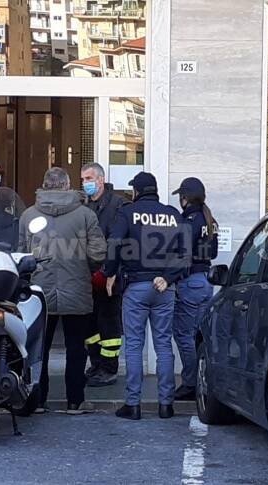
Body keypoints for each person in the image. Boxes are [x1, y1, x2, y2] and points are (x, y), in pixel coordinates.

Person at [19, 167, 107, 414]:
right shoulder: (85, 215)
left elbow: (21, 253)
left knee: (38, 348)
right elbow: (98, 252)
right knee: (76, 347)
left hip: (40, 291)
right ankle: (75, 401)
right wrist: (84, 269)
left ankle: (38, 399)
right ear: (68, 186)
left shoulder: (28, 215)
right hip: (76, 287)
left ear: (44, 185)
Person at [105, 172, 188, 420]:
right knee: (163, 345)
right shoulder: (173, 215)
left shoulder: (128, 212)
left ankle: (133, 404)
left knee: (133, 345)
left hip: (137, 286)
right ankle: (166, 404)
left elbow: (114, 243)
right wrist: (169, 277)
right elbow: (185, 254)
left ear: (137, 191)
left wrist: (109, 273)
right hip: (164, 288)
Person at [80, 162, 130, 387]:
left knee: (108, 324)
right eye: (83, 180)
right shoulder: (84, 205)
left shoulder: (118, 205)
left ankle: (109, 369)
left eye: (89, 178)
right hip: (86, 275)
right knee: (90, 326)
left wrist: (111, 271)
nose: (85, 183)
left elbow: (120, 242)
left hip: (109, 276)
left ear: (100, 180)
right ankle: (96, 364)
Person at [171, 177, 219, 401]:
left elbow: (182, 252)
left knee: (183, 334)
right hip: (205, 281)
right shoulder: (209, 219)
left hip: (190, 282)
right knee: (198, 336)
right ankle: (201, 380)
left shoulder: (189, 220)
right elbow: (213, 253)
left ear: (186, 197)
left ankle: (190, 383)